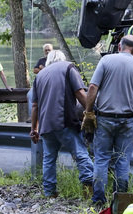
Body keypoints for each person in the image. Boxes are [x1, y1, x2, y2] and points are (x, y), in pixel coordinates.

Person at [84, 34, 133, 206]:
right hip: (127, 121)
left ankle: (98, 202)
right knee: (122, 160)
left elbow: (92, 87)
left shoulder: (106, 61)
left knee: (101, 159)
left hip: (105, 118)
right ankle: (120, 203)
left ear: (119, 46)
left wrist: (88, 112)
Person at [30, 50, 93, 198]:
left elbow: (35, 105)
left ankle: (49, 192)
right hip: (64, 120)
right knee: (80, 153)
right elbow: (79, 93)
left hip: (46, 124)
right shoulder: (68, 67)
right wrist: (90, 112)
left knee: (49, 159)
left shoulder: (40, 75)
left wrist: (34, 128)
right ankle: (89, 189)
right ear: (62, 58)